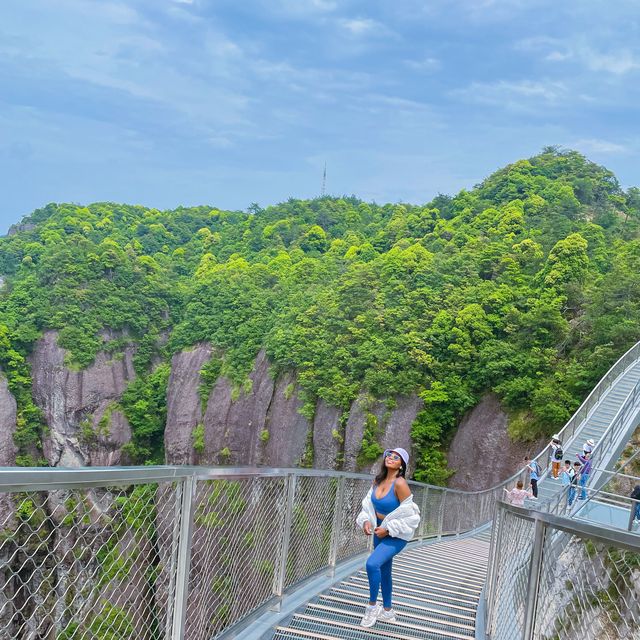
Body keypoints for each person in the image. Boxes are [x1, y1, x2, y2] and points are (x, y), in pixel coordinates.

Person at [356, 447, 420, 628]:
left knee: (372, 564)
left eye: (396, 457)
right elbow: (368, 506)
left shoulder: (400, 484)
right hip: (379, 532)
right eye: (389, 455)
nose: (391, 457)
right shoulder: (377, 481)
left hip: (395, 535)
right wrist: (366, 522)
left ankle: (372, 607)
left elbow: (412, 517)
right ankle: (388, 611)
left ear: (401, 465)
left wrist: (389, 530)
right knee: (384, 571)